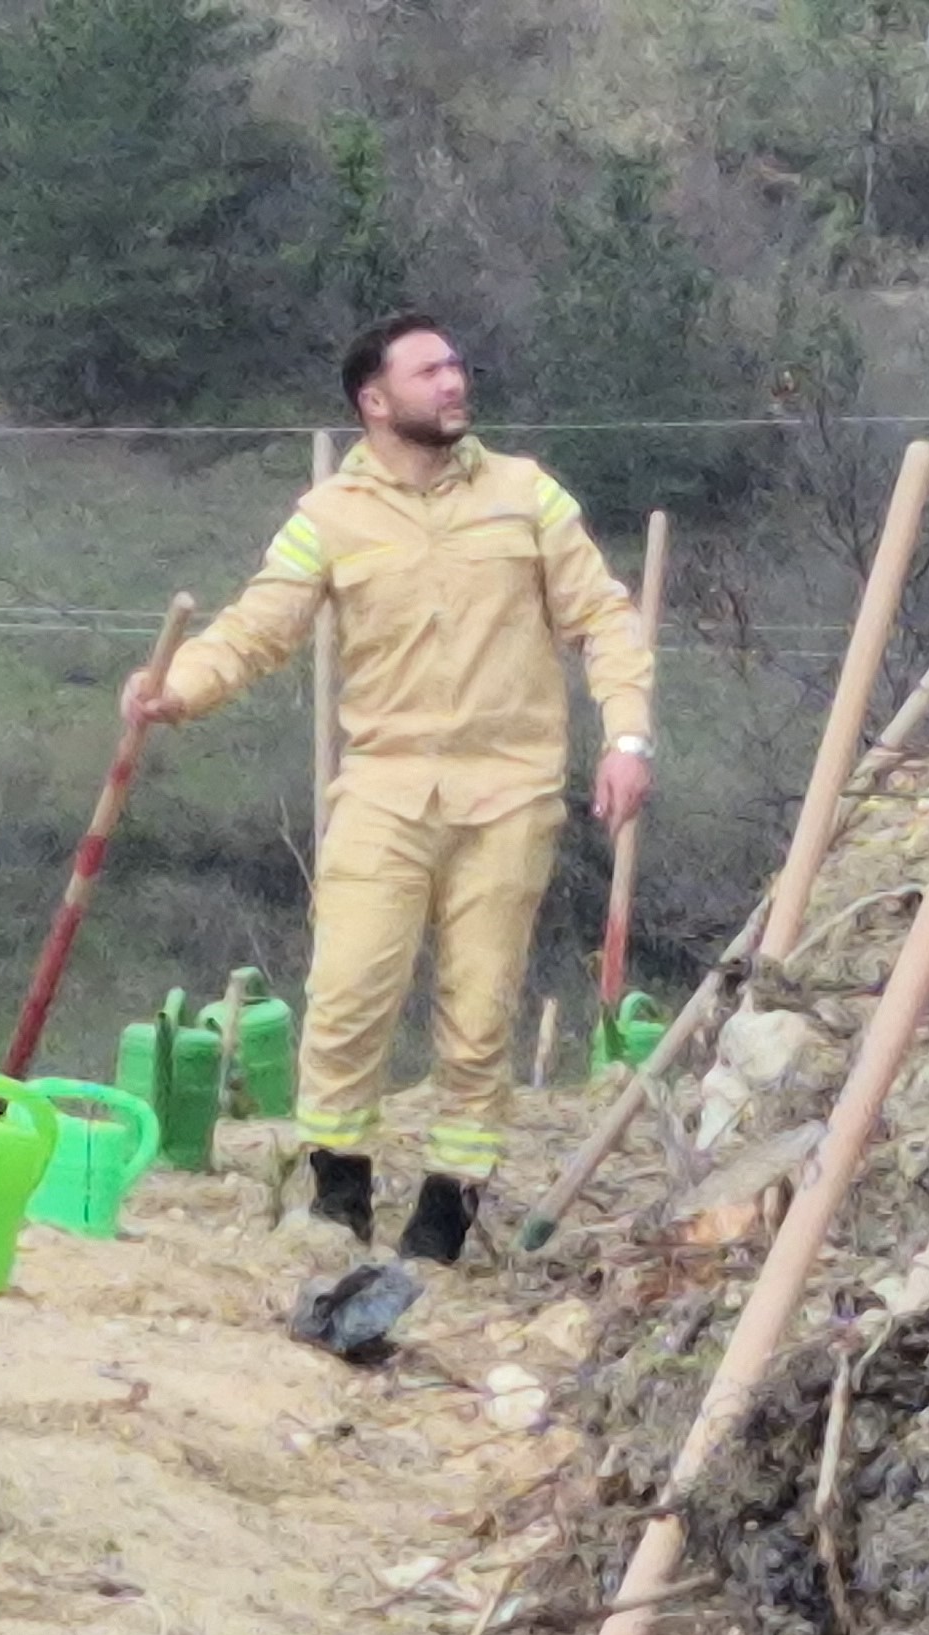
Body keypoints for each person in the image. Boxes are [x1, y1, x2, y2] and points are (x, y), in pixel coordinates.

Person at [123, 312, 655, 1267]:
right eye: (429, 372)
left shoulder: (527, 495)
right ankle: (339, 1196)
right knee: (346, 996)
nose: (454, 383)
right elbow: (256, 626)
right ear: (374, 400)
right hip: (383, 790)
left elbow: (605, 618)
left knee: (480, 1011)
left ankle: (449, 1209)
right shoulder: (329, 516)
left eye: (456, 367)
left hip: (510, 793)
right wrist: (179, 688)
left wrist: (626, 737)